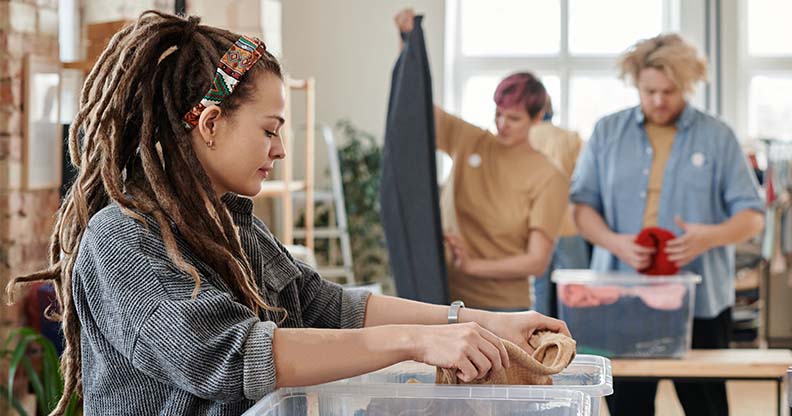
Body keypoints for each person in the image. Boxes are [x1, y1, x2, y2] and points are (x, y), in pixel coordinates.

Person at [6, 11, 570, 416]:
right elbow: (237, 357)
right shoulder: (122, 239)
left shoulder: (230, 223)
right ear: (208, 124)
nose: (279, 149)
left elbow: (324, 305)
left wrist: (488, 323)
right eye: (270, 131)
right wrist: (417, 342)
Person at [570, 33, 764, 416]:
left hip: (701, 303)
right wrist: (615, 242)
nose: (659, 100)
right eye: (649, 90)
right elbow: (582, 209)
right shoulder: (607, 132)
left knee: (706, 406)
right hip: (621, 299)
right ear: (636, 84)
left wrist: (710, 237)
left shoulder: (718, 136)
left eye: (669, 91)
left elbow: (752, 216)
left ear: (688, 85)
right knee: (628, 407)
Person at [395, 9, 569, 312]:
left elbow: (537, 260)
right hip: (443, 297)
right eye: (498, 113)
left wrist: (473, 266)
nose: (502, 123)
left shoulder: (548, 176)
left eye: (513, 118)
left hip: (504, 309)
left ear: (537, 117)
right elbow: (419, 108)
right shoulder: (471, 140)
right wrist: (409, 43)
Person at [529, 97, 591, 317]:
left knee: (538, 289)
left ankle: (539, 341)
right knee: (577, 288)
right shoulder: (571, 138)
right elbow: (585, 179)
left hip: (534, 226)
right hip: (568, 224)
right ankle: (577, 339)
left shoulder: (522, 138)